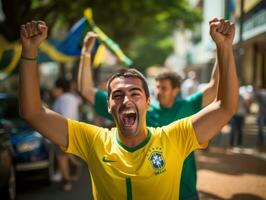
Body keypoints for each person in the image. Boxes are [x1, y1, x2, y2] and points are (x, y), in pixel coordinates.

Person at [19, 18, 238, 199]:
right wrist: (29, 51)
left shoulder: (174, 137)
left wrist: (224, 47)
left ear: (147, 102)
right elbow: (33, 113)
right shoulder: (93, 141)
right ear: (108, 105)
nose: (126, 100)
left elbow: (225, 106)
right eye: (117, 95)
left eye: (135, 93)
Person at [78, 34, 219, 200]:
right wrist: (86, 52)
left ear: (175, 90)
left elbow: (215, 87)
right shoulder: (142, 109)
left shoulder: (188, 105)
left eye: (164, 88)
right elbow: (87, 90)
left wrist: (221, 50)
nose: (159, 92)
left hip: (186, 191)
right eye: (157, 87)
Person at [51, 78, 82, 191]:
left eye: (55, 88)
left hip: (63, 131)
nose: (52, 90)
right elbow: (80, 102)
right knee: (65, 154)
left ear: (60, 88)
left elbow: (65, 117)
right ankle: (74, 165)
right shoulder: (72, 98)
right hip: (72, 130)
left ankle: (66, 182)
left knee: (61, 157)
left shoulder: (63, 99)